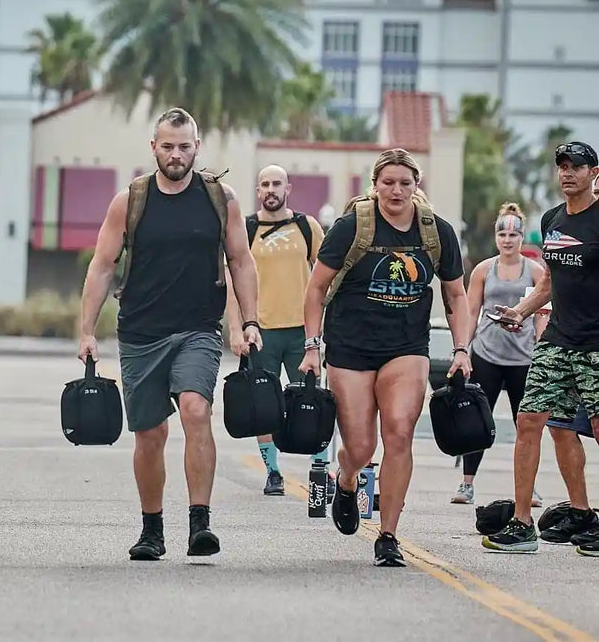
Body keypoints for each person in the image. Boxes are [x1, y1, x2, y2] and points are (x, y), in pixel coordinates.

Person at [78, 107, 262, 562]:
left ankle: (200, 521)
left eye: (184, 146)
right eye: (167, 146)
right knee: (150, 434)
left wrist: (251, 320)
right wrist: (86, 330)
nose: (176, 155)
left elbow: (240, 260)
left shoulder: (222, 199)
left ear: (197, 146)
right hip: (140, 331)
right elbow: (102, 265)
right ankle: (152, 529)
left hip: (198, 328)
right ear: (153, 148)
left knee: (195, 410)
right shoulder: (131, 201)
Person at [300, 148, 472, 566]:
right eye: (388, 182)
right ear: (374, 184)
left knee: (398, 432)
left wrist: (462, 348)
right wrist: (311, 346)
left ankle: (388, 535)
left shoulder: (437, 233)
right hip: (351, 347)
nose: (396, 190)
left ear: (417, 186)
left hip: (406, 347)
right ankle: (346, 479)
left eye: (405, 183)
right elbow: (316, 288)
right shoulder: (352, 227)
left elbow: (456, 294)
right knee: (360, 445)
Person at [483, 140, 599, 554]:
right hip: (557, 341)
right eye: (563, 167)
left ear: (594, 174)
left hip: (595, 347)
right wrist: (520, 311)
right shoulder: (553, 219)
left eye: (577, 167)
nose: (568, 173)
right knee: (533, 422)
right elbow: (549, 282)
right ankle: (523, 523)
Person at [225, 164, 329, 495]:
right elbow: (233, 278)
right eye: (264, 184)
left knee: (311, 404)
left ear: (288, 188)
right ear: (258, 191)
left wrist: (322, 329)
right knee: (263, 408)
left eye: (277, 184)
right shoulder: (247, 227)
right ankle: (273, 472)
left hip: (301, 332)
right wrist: (238, 327)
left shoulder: (306, 226)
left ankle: (320, 470)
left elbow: (326, 277)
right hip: (262, 333)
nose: (271, 189)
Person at [451, 203, 548, 505]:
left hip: (523, 358)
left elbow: (543, 314)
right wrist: (463, 351)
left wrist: (541, 347)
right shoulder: (483, 269)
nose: (507, 239)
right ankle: (467, 484)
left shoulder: (534, 271)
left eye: (513, 234)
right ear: (496, 237)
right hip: (487, 354)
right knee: (477, 421)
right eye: (502, 234)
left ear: (522, 238)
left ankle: (528, 487)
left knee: (527, 425)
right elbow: (470, 311)